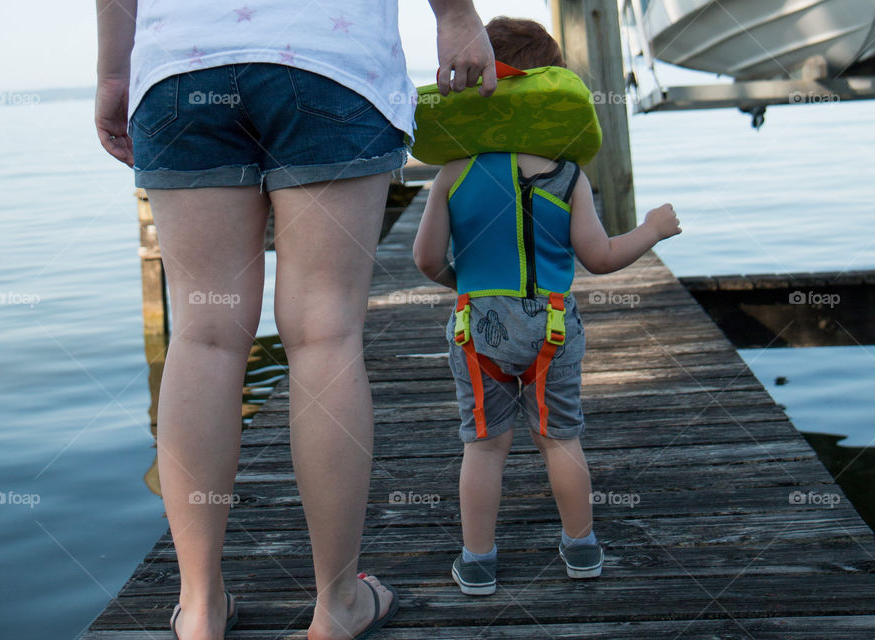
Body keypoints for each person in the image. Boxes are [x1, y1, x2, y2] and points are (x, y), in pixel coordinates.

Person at [94, 2, 497, 639]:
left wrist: (114, 72)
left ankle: (199, 607)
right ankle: (338, 604)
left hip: (179, 66)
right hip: (326, 62)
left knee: (203, 335)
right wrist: (454, 15)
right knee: (324, 333)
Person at [412, 17, 682, 596]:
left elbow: (426, 258)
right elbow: (602, 257)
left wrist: (464, 282)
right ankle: (581, 549)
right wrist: (652, 231)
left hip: (476, 327)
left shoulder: (452, 173)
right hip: (553, 328)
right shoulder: (568, 175)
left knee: (484, 445)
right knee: (560, 439)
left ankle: (478, 562)